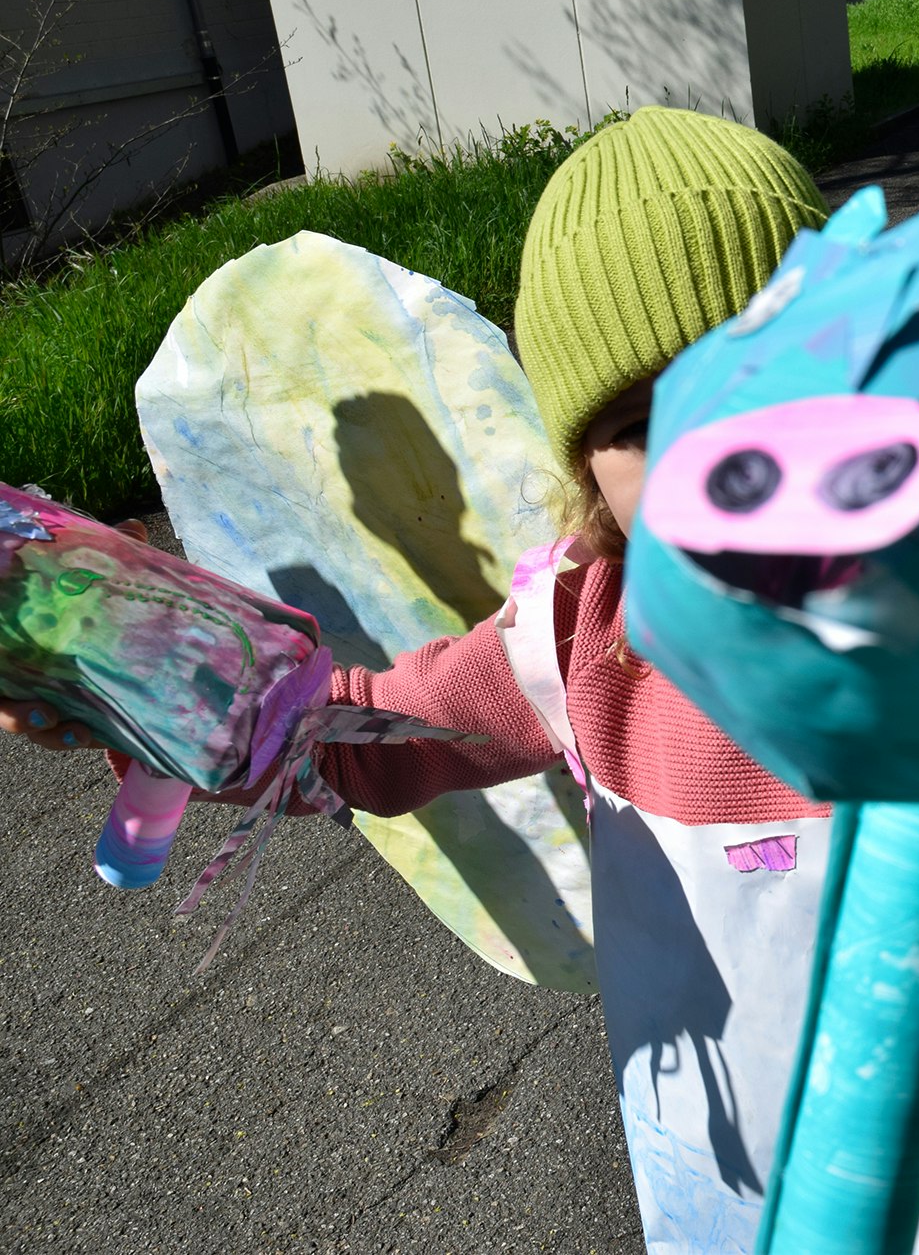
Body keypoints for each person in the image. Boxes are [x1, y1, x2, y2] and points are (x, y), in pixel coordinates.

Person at [2, 107, 847, 1250]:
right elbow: (356, 733)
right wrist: (143, 675)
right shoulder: (581, 642)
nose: (719, 454)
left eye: (759, 380)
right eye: (648, 421)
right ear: (588, 472)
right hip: (745, 1153)